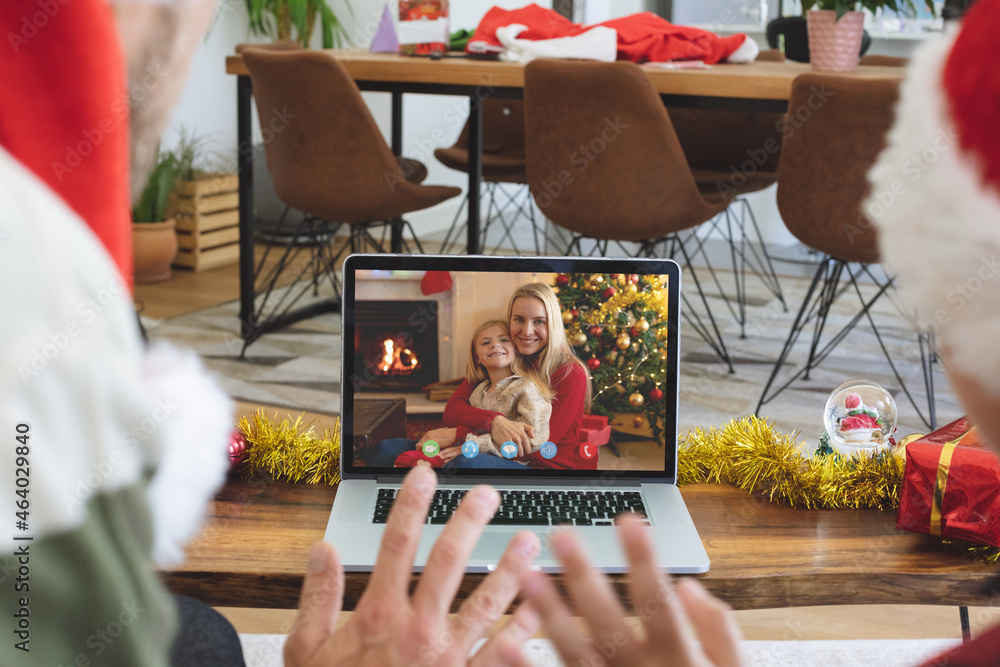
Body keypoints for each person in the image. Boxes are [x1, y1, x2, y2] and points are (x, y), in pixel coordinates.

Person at [370, 281, 594, 470]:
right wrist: (493, 421)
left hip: (536, 466)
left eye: (539, 321)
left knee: (465, 462)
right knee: (386, 449)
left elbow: (535, 446)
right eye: (519, 319)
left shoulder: (569, 372)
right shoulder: (504, 358)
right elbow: (452, 411)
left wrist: (460, 437)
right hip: (482, 446)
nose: (527, 331)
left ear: (552, 324)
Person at [390, 319, 553, 468]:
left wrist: (469, 446)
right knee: (392, 450)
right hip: (468, 449)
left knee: (460, 461)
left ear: (516, 350)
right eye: (486, 342)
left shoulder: (527, 387)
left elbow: (533, 438)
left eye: (504, 340)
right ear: (477, 358)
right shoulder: (477, 392)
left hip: (507, 461)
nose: (495, 345)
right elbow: (469, 428)